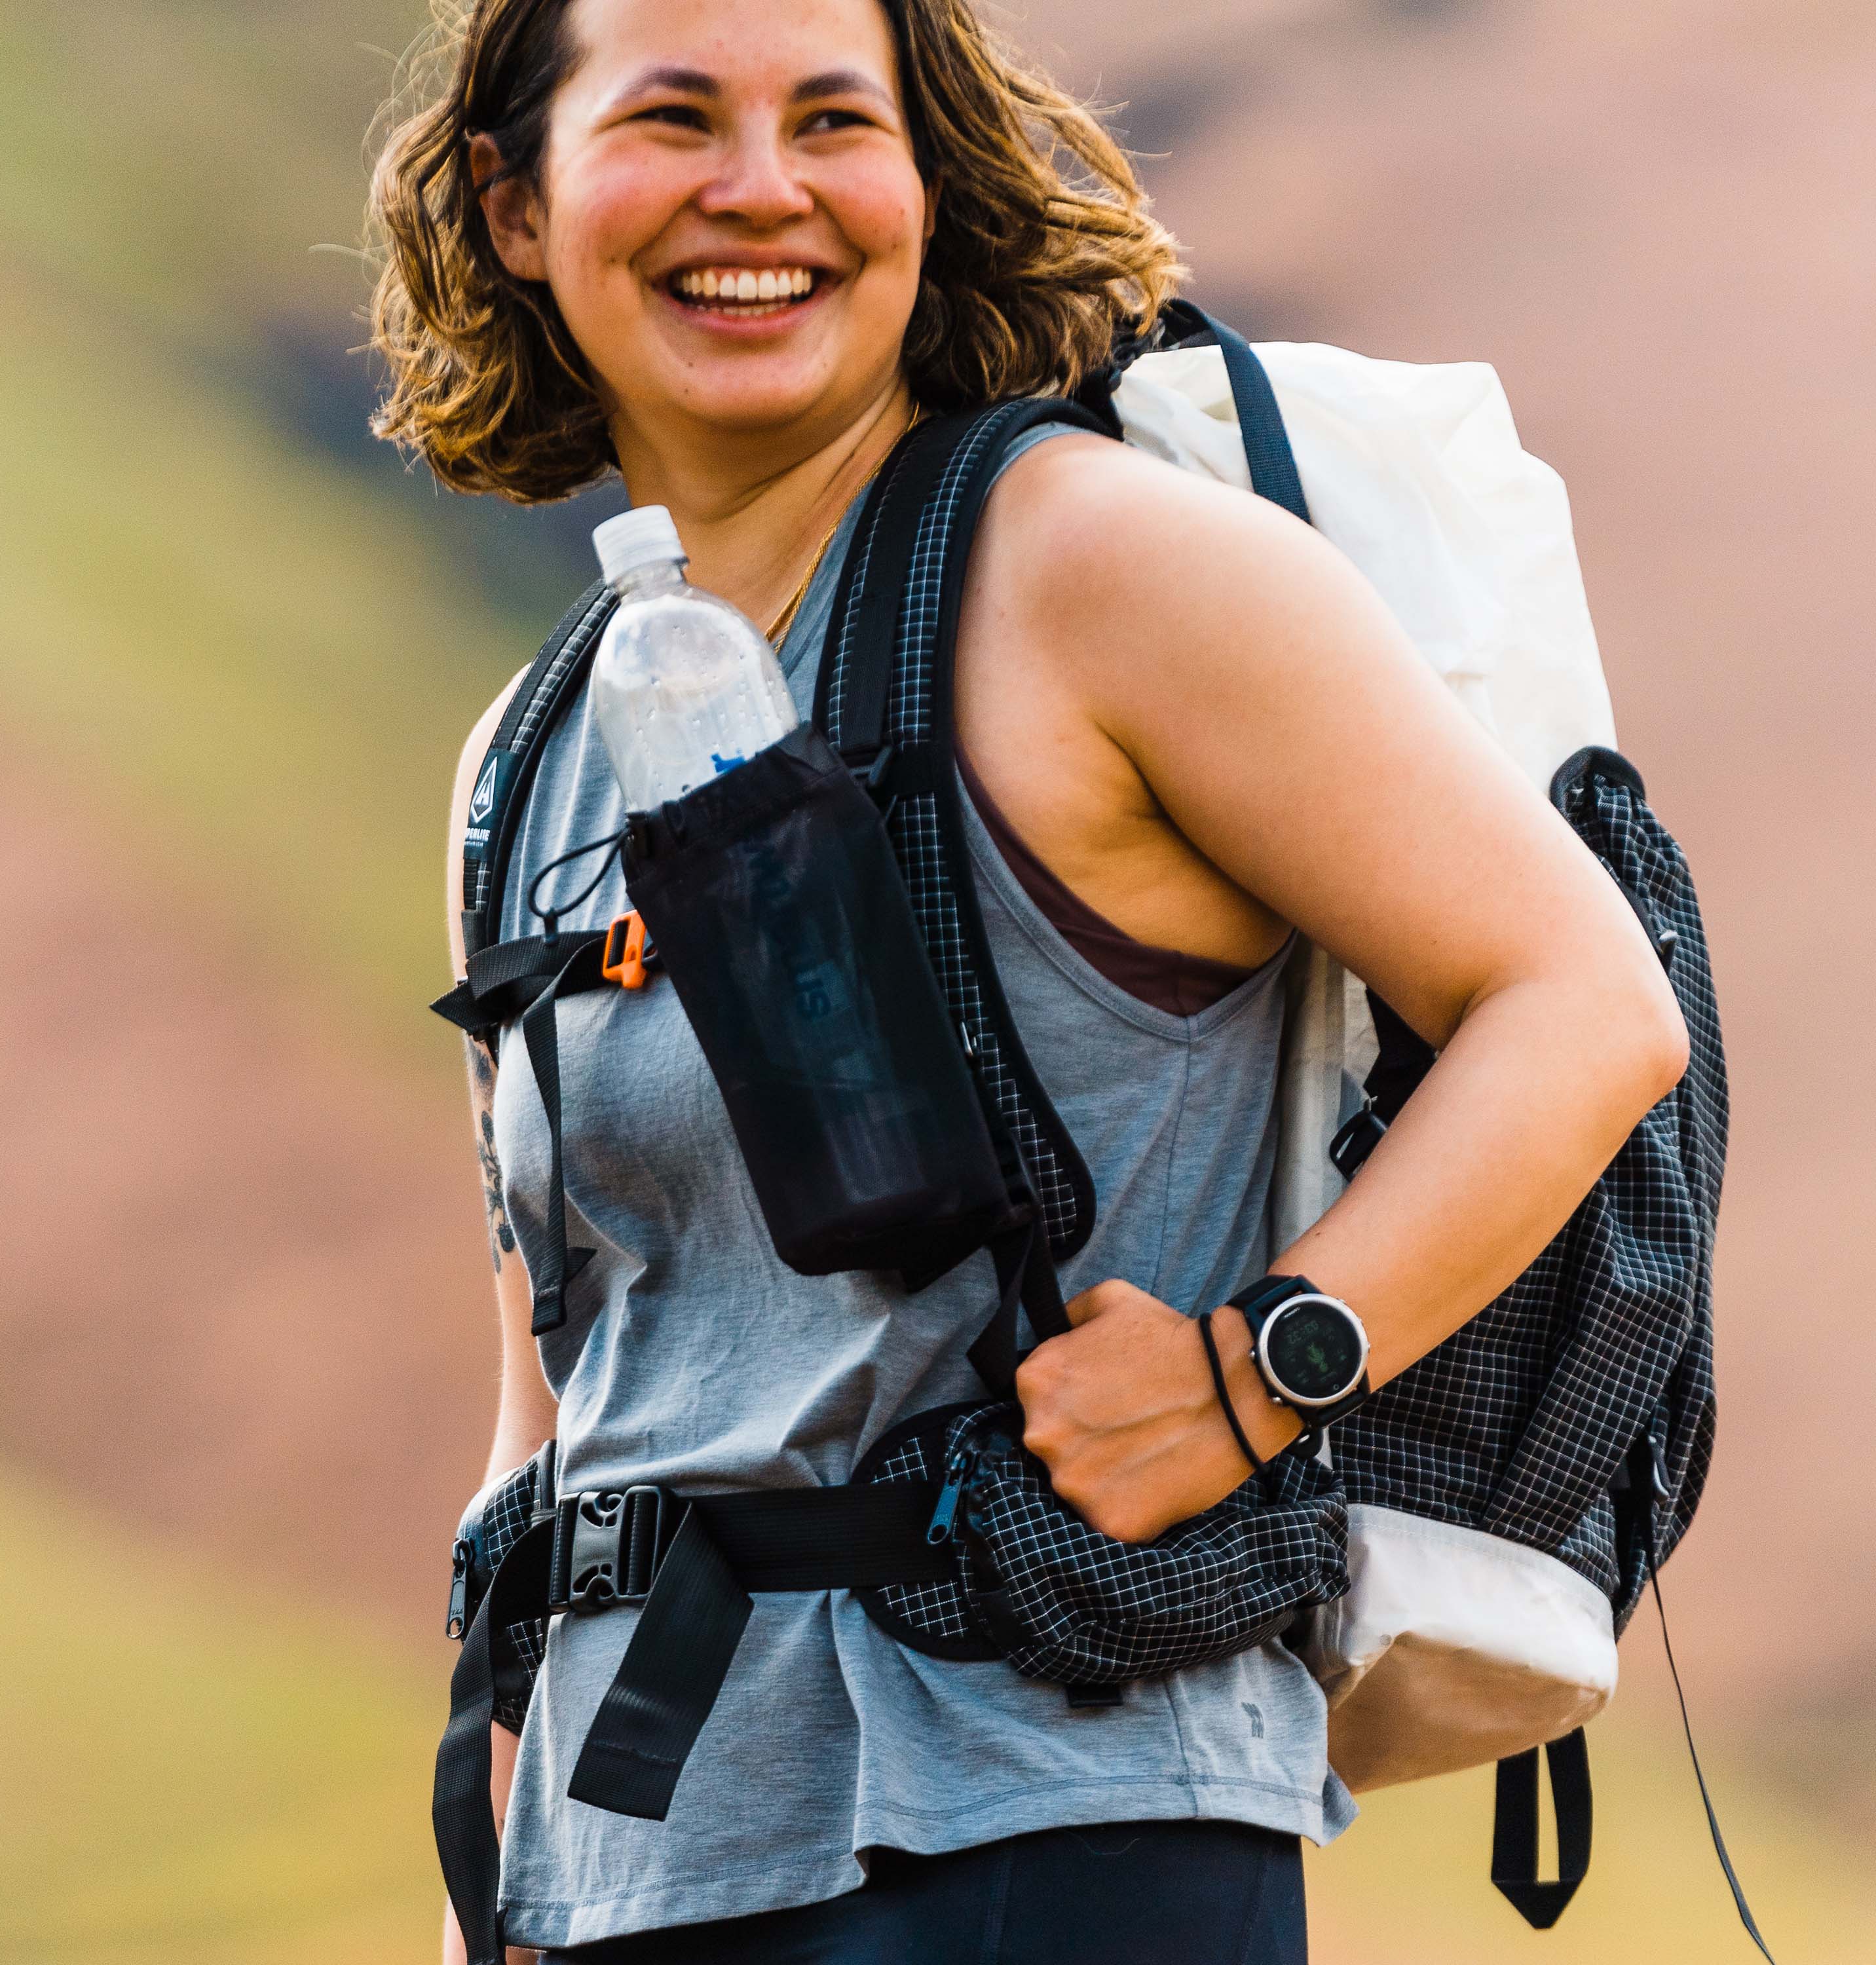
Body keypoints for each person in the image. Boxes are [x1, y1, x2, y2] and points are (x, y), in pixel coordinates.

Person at [368, 1, 1688, 1958]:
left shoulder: (1100, 570)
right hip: (632, 1854)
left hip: (1046, 1825)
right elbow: (565, 1368)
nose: (763, 191)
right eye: (673, 118)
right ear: (513, 201)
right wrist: (492, 1785)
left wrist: (1261, 1377)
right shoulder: (532, 746)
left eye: (834, 118)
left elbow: (1586, 1000)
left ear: (925, 179)